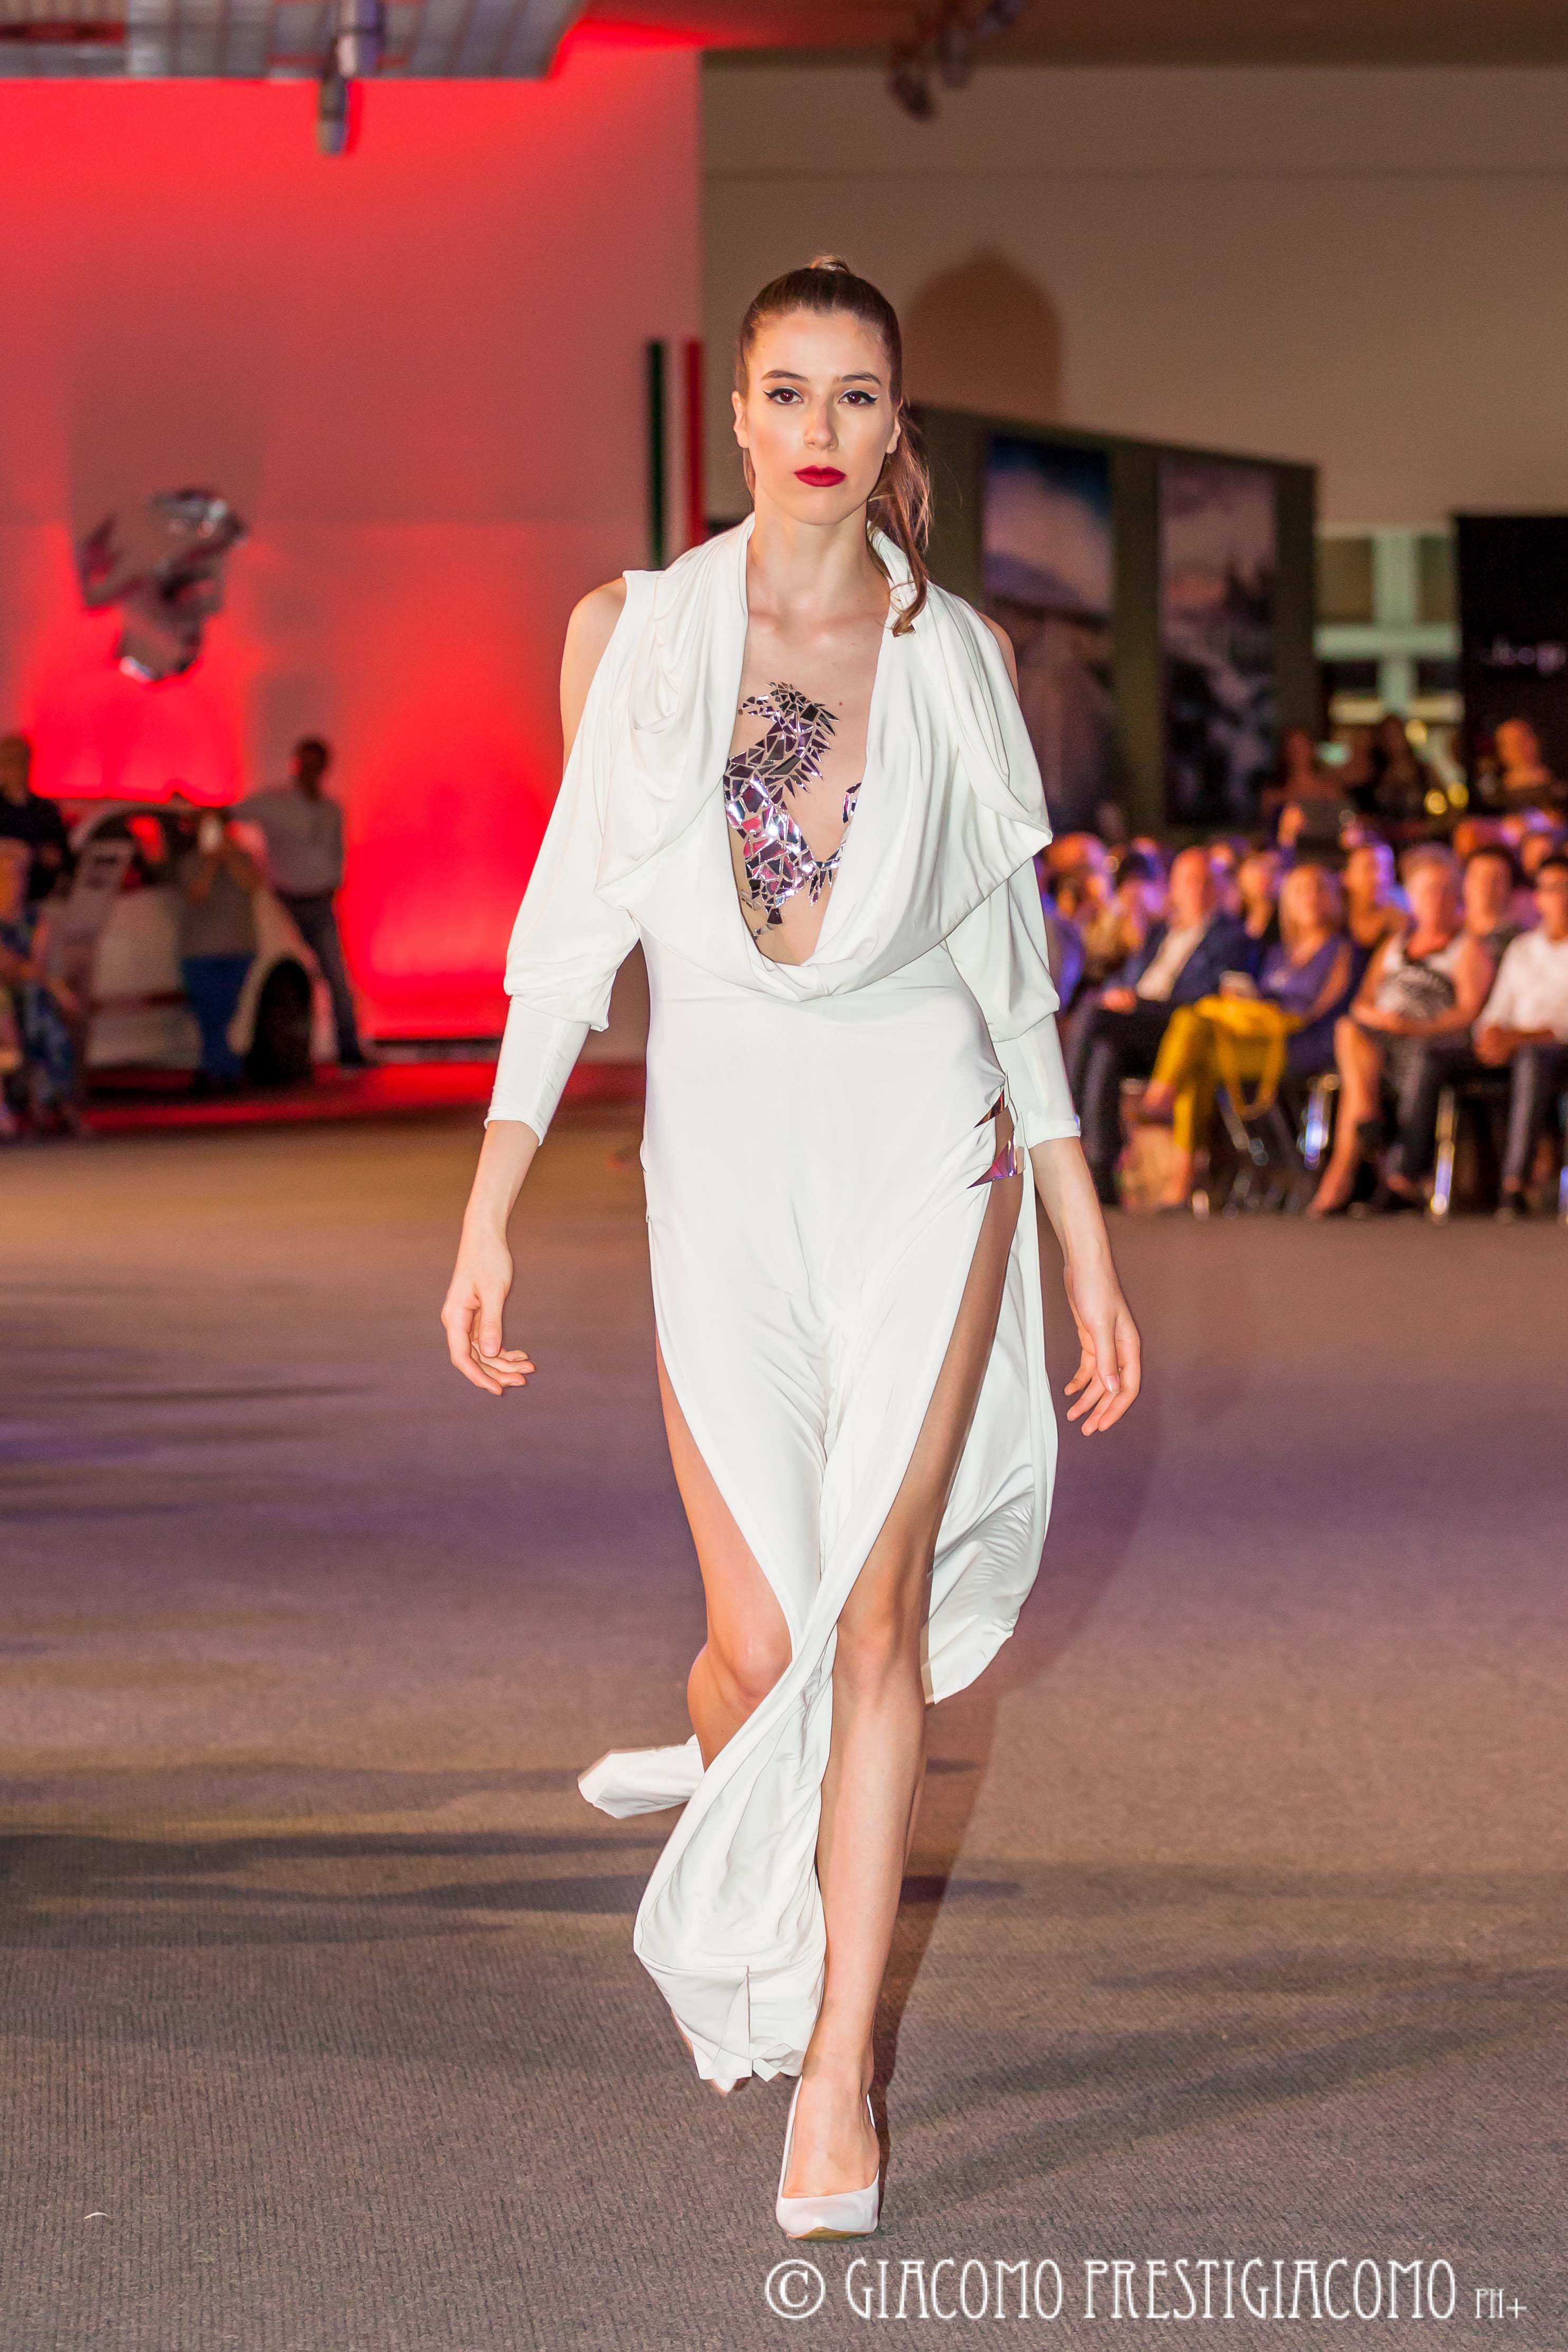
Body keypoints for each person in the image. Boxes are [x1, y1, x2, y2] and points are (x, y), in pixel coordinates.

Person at [440, 257, 1141, 2239]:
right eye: (784, 390)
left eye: (854, 394)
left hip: (926, 1148)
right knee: (760, 1648)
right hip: (724, 1161)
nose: (818, 428)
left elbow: (1008, 976)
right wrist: (489, 1199)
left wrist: (1082, 1243)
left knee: (870, 1622)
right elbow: (569, 933)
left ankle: (837, 2074)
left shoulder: (954, 656)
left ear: (892, 425)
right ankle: (731, 1772)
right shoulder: (633, 634)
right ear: (735, 414)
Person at [1137, 862, 1353, 1209]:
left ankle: (1162, 1111)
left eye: (1318, 889)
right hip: (1259, 1038)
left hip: (1301, 1045)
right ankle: (1180, 1168)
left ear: (1333, 898)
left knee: (1193, 1035)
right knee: (1193, 1027)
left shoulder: (1340, 950)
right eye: (1300, 891)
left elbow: (1316, 1012)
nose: (1310, 898)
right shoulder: (1279, 953)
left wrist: (1270, 1008)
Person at [1307, 846, 1493, 1216]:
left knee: (1358, 1070)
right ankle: (1368, 1121)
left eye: (1444, 889)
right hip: (1382, 1037)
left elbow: (1469, 1013)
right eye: (1427, 890)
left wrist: (1413, 1026)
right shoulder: (1394, 945)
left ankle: (1347, 1168)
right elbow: (1362, 1002)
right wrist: (1384, 1020)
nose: (1436, 898)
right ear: (1411, 896)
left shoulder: (1467, 947)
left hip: (1431, 1041)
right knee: (1349, 1029)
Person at [1068, 844, 1250, 1204]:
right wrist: (1118, 995)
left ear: (1217, 887)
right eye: (1189, 881)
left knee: (1092, 1017)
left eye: (1205, 881)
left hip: (1177, 1027)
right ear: (1174, 888)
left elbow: (1209, 998)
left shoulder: (1231, 937)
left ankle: (1063, 1117)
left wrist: (1138, 1003)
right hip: (1132, 1026)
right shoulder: (1159, 934)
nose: (1197, 889)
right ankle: (1101, 1172)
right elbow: (1128, 978)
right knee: (1105, 1048)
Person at [237, 738, 368, 1067]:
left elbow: (336, 852)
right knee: (280, 973)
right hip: (285, 903)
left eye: (316, 764)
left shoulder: (331, 809)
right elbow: (229, 814)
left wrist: (334, 884)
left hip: (320, 903)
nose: (309, 770)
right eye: (305, 763)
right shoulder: (274, 803)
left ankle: (349, 1049)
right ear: (296, 764)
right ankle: (282, 1052)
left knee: (336, 977)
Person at [1474, 853, 1568, 1219]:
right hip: (1514, 1047)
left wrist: (1519, 1038)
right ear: (1537, 897)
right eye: (1551, 889)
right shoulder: (1522, 948)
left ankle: (1513, 1183)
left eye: (1566, 888)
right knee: (1432, 1056)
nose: (1560, 897)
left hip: (1555, 1048)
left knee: (1532, 1060)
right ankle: (1403, 1176)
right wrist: (1490, 1034)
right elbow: (1496, 1010)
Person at [0, 836, 86, 1136]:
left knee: (39, 1004)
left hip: (27, 995)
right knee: (37, 1007)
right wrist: (51, 986)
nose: (14, 883)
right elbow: (8, 967)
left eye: (19, 876)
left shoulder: (35, 919)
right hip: (6, 999)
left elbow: (34, 967)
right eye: (6, 876)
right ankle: (53, 1105)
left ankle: (47, 1104)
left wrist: (52, 986)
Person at [175, 812, 261, 1091]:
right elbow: (196, 893)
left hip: (238, 948)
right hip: (201, 950)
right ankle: (223, 1069)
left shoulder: (243, 859)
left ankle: (218, 1068)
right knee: (209, 1012)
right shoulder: (190, 863)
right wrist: (211, 863)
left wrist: (230, 858)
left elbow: (252, 886)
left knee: (226, 1010)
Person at [0, 733, 71, 904]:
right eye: (11, 760)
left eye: (21, 760)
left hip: (42, 898)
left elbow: (65, 855)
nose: (17, 767)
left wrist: (52, 857)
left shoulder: (46, 811)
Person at [1341, 836, 1404, 971]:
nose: (1380, 877)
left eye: (1387, 869)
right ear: (1346, 877)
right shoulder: (1335, 921)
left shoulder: (1403, 923)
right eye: (1369, 868)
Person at [1489, 717, 1565, 819]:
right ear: (1501, 752)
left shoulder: (1561, 790)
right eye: (1511, 743)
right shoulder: (1494, 799)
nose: (1518, 748)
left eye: (1524, 740)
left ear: (1537, 740)